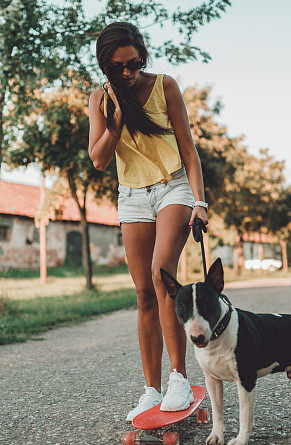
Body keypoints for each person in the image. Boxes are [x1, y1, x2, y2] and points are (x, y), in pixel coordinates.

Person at [87, 21, 209, 420]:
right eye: (119, 66)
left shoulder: (165, 86)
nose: (128, 72)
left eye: (135, 62)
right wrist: (118, 117)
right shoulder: (99, 100)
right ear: (106, 64)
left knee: (161, 275)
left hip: (173, 187)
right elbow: (100, 159)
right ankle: (151, 389)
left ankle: (179, 376)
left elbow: (188, 150)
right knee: (143, 293)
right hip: (133, 196)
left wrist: (200, 202)